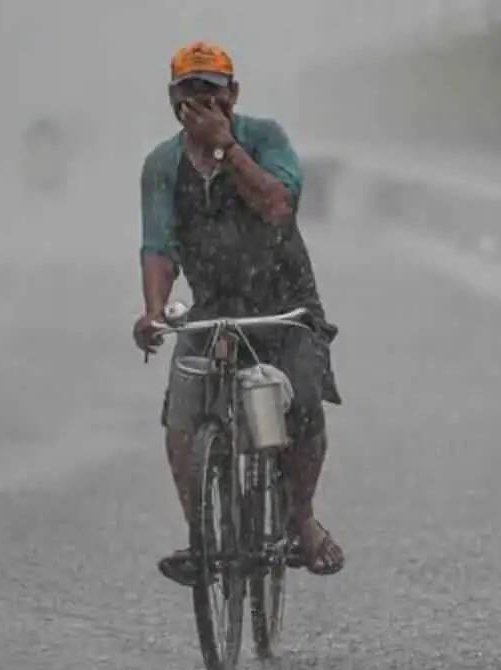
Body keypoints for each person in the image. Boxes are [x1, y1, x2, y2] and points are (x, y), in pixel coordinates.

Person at [133, 41, 345, 585]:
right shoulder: (162, 165)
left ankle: (301, 520)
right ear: (172, 99)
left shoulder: (265, 138)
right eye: (190, 92)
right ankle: (202, 539)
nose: (202, 101)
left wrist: (226, 150)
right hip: (214, 307)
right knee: (182, 414)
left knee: (302, 408)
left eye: (213, 90)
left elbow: (278, 205)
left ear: (234, 94)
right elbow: (158, 244)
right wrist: (155, 311)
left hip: (284, 304)